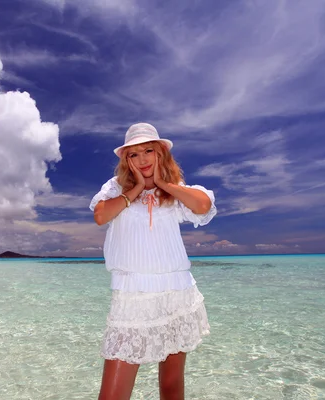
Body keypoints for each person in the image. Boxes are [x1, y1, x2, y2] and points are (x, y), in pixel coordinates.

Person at [90, 123, 217, 400]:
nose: (143, 159)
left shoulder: (175, 190)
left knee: (171, 386)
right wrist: (135, 189)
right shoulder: (115, 188)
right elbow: (100, 216)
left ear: (161, 154)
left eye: (149, 151)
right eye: (134, 155)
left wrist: (162, 184)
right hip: (132, 297)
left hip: (176, 293)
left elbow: (203, 206)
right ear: (126, 161)